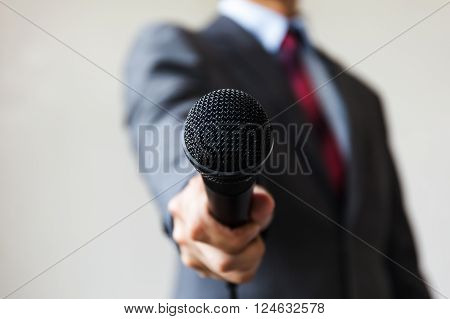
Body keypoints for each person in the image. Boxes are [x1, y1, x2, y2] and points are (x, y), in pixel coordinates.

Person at [124, 0, 430, 298]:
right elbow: (174, 140)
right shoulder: (175, 48)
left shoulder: (361, 95)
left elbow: (398, 256)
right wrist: (202, 206)